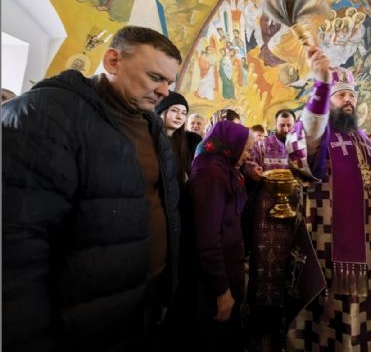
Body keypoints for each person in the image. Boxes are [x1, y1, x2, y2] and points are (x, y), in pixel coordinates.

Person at [2, 26, 182, 351]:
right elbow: (16, 248)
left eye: (169, 82)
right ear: (113, 60)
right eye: (156, 77)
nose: (164, 91)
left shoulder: (151, 124)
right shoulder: (43, 115)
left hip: (143, 299)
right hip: (82, 320)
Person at [285, 47, 371, 351]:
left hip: (370, 242)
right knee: (333, 310)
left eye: (352, 96)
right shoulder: (316, 134)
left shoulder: (362, 137)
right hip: (329, 244)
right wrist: (321, 86)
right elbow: (307, 136)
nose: (348, 100)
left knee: (370, 304)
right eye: (340, 95)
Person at [182, 121, 255, 352]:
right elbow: (207, 239)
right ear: (232, 144)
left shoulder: (224, 168)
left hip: (224, 272)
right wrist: (222, 291)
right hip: (211, 284)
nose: (248, 155)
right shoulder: (211, 175)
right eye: (246, 149)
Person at [245, 109, 297, 351]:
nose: (285, 129)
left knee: (289, 264)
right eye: (282, 125)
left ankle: (283, 324)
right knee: (263, 263)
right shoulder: (263, 144)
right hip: (266, 214)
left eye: (289, 125)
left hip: (293, 215)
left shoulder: (300, 145)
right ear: (275, 124)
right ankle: (258, 322)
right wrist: (253, 171)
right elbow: (249, 161)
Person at [155, 91, 202, 185]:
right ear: (161, 112)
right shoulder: (149, 138)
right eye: (174, 110)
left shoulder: (191, 141)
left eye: (184, 113)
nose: (179, 117)